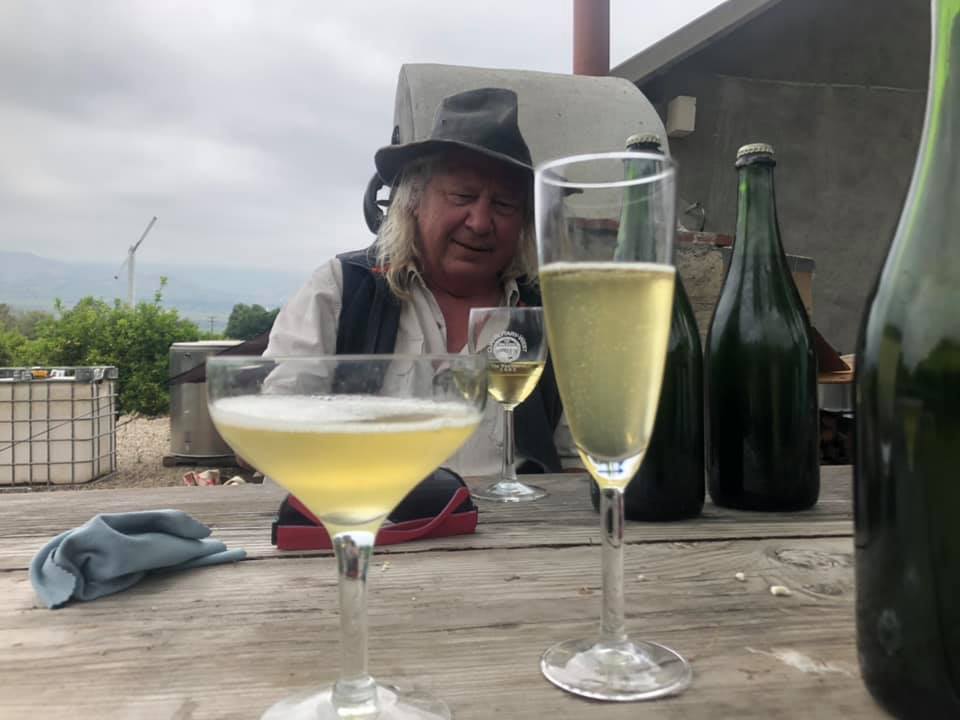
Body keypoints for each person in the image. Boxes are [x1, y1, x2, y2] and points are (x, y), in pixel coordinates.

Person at [266, 87, 568, 477]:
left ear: (524, 221)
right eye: (462, 196)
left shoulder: (552, 314)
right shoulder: (342, 289)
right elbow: (277, 424)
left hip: (524, 516)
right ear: (413, 200)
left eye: (504, 204)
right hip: (370, 512)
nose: (480, 222)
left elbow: (580, 461)